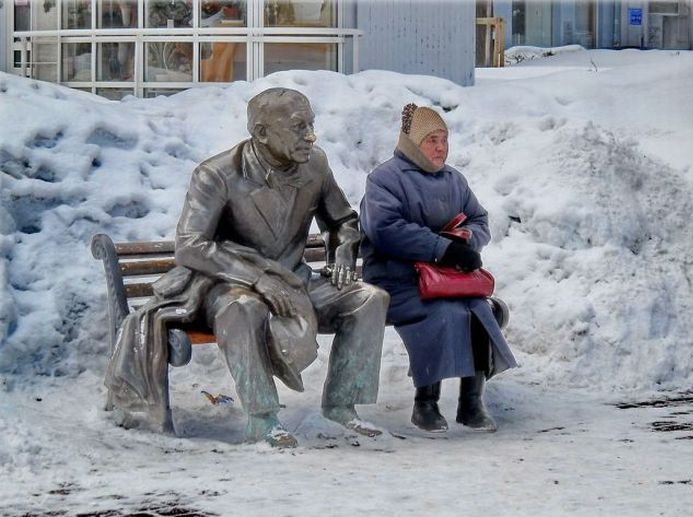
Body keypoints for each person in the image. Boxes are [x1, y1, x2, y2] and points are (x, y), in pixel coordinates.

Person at [105, 88, 388, 448]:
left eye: (311, 125)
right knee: (244, 308)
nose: (311, 136)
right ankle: (262, 418)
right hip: (227, 285)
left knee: (369, 299)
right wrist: (256, 278)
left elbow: (342, 221)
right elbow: (190, 245)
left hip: (293, 280)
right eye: (299, 127)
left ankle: (341, 406)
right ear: (261, 132)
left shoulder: (315, 165)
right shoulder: (216, 174)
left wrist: (343, 256)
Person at [359, 104, 517, 433]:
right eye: (432, 140)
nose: (440, 147)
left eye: (444, 140)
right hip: (397, 280)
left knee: (480, 310)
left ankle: (471, 403)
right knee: (442, 313)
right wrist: (441, 249)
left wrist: (466, 241)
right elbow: (385, 229)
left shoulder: (454, 180)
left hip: (446, 280)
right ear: (414, 143)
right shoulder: (385, 179)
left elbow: (479, 219)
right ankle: (425, 404)